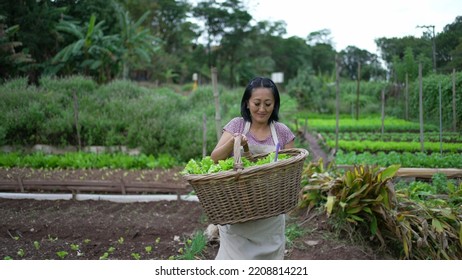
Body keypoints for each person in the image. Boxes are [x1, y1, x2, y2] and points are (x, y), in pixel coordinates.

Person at [210, 76, 295, 260]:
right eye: (257, 103)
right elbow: (215, 158)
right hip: (237, 212)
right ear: (247, 103)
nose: (262, 109)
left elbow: (291, 168)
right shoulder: (237, 125)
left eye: (268, 104)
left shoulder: (282, 132)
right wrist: (234, 140)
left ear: (275, 105)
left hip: (270, 216)